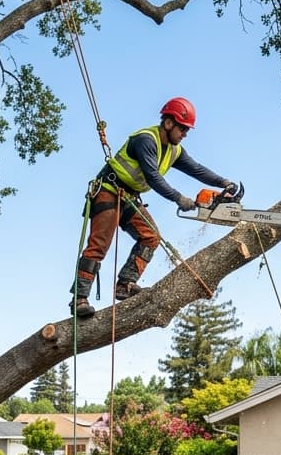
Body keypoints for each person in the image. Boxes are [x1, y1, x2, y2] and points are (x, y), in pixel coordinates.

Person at [70, 97, 240, 318]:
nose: (185, 134)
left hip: (130, 197)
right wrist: (179, 198)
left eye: (187, 130)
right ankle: (80, 298)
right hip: (109, 190)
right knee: (99, 245)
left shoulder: (174, 150)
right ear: (168, 123)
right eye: (182, 128)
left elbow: (196, 169)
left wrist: (223, 183)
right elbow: (153, 177)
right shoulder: (146, 140)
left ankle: (125, 284)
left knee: (151, 237)